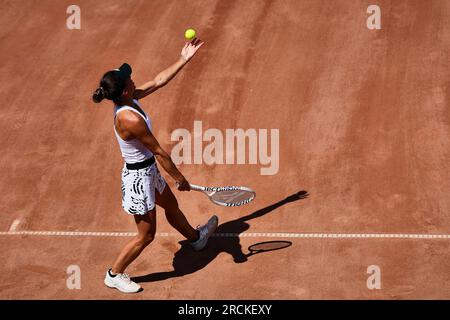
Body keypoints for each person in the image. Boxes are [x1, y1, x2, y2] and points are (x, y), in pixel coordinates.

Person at [92, 38, 218, 293]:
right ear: (125, 90)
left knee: (171, 206)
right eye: (129, 79)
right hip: (139, 179)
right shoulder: (129, 118)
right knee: (146, 235)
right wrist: (179, 179)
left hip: (147, 171)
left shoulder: (128, 99)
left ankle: (196, 239)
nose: (133, 78)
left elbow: (159, 81)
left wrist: (184, 59)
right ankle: (114, 274)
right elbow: (160, 152)